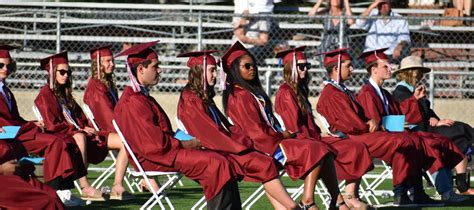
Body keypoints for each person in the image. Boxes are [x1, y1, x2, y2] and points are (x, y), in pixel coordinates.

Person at [114, 41, 242, 210]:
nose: (159, 70)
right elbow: (152, 145)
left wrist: (187, 140)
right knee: (216, 163)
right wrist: (186, 144)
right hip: (154, 158)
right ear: (140, 70)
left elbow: (161, 134)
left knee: (223, 159)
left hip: (165, 150)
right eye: (155, 66)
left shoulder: (142, 97)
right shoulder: (133, 101)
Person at [222, 41, 349, 210]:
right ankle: (309, 202)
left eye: (253, 65)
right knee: (319, 149)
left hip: (274, 139)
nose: (252, 69)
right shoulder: (239, 97)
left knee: (322, 149)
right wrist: (283, 135)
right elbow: (255, 132)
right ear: (234, 70)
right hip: (264, 147)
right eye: (247, 66)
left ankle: (336, 201)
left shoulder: (250, 92)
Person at [315, 48, 439, 206]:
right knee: (403, 140)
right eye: (348, 66)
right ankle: (401, 192)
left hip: (364, 132)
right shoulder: (333, 93)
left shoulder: (344, 91)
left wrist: (411, 102)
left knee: (410, 139)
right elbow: (348, 123)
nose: (352, 69)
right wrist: (368, 122)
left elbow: (388, 116)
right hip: (353, 136)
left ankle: (415, 191)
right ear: (336, 69)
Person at [177, 50, 300, 210]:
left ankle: (289, 208)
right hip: (213, 151)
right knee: (263, 163)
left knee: (265, 162)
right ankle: (292, 207)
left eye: (215, 70)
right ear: (199, 71)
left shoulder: (203, 97)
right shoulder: (191, 99)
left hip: (223, 148)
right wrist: (244, 143)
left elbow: (226, 127)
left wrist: (245, 139)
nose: (215, 75)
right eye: (211, 70)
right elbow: (211, 135)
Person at [356, 49, 469, 202]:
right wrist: (400, 124)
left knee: (435, 141)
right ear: (374, 70)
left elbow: (398, 114)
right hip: (382, 138)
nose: (390, 69)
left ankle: (443, 191)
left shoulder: (385, 93)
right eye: (386, 67)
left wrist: (414, 99)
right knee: (418, 143)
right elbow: (376, 123)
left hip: (395, 134)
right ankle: (413, 191)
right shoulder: (367, 93)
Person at [274, 46, 374, 209]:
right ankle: (316, 200)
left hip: (312, 138)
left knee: (355, 146)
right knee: (321, 150)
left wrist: (324, 137)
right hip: (295, 144)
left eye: (308, 66)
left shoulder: (299, 91)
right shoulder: (286, 92)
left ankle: (347, 197)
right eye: (301, 66)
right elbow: (294, 128)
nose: (305, 70)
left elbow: (311, 126)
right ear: (290, 67)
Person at [0, 45, 87, 206]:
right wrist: (31, 127)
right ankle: (54, 190)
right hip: (8, 135)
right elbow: (5, 123)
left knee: (64, 140)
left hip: (17, 131)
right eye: (1, 65)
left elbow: (15, 117)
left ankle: (64, 190)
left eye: (7, 65)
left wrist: (32, 123)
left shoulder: (6, 91)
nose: (5, 68)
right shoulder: (43, 94)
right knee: (55, 142)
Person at [393, 55, 474, 195]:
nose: (420, 76)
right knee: (459, 129)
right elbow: (408, 116)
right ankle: (461, 184)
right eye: (418, 72)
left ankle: (462, 184)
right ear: (410, 73)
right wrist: (420, 105)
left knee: (461, 137)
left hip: (430, 127)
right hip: (419, 132)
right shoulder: (401, 92)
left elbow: (427, 111)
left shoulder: (414, 89)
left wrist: (435, 118)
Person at [35, 51, 109, 201]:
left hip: (74, 133)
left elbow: (81, 117)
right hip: (60, 135)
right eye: (61, 72)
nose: (66, 75)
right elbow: (52, 124)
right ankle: (85, 187)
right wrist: (78, 130)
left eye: (68, 72)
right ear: (52, 73)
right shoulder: (45, 96)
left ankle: (119, 186)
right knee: (80, 138)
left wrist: (88, 127)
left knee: (111, 139)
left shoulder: (65, 94)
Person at [83, 45, 134, 200]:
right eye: (107, 61)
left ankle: (146, 180)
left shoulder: (106, 84)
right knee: (128, 141)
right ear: (97, 64)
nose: (111, 64)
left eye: (112, 61)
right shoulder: (96, 87)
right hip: (100, 134)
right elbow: (107, 118)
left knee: (136, 136)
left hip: (110, 129)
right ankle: (117, 185)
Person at [0, 137, 64, 210]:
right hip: (3, 180)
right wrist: (2, 169)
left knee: (51, 195)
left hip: (16, 177)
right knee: (45, 201)